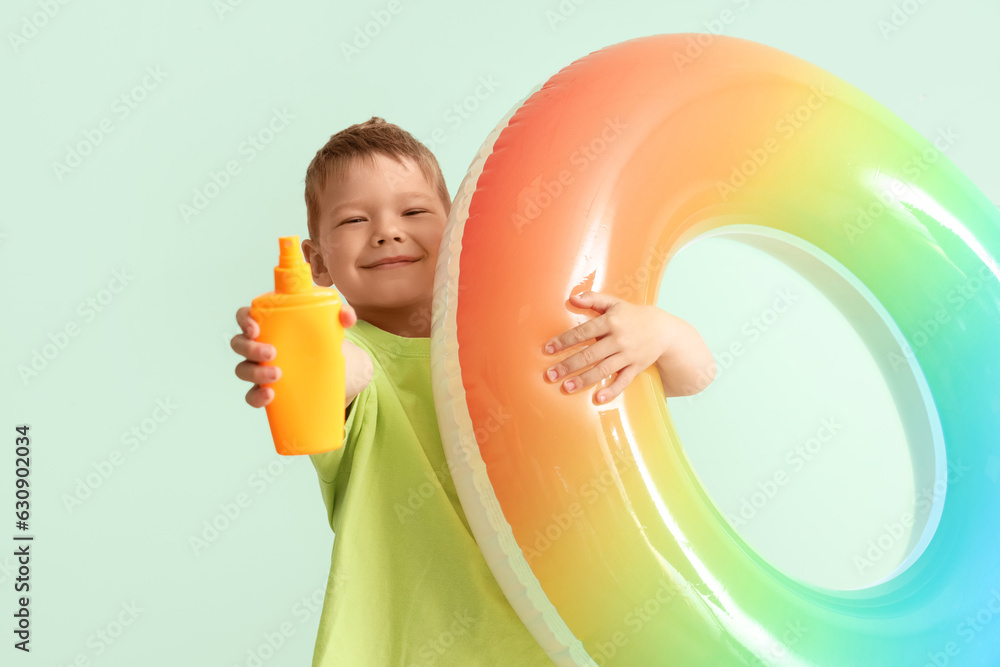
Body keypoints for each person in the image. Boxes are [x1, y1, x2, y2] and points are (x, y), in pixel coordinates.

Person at [230, 117, 717, 666]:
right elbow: (339, 376)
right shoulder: (358, 357)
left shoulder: (517, 333)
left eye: (413, 212)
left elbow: (694, 375)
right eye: (355, 219)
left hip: (559, 643)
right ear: (317, 262)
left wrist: (660, 332)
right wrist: (297, 355)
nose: (387, 231)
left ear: (458, 226)